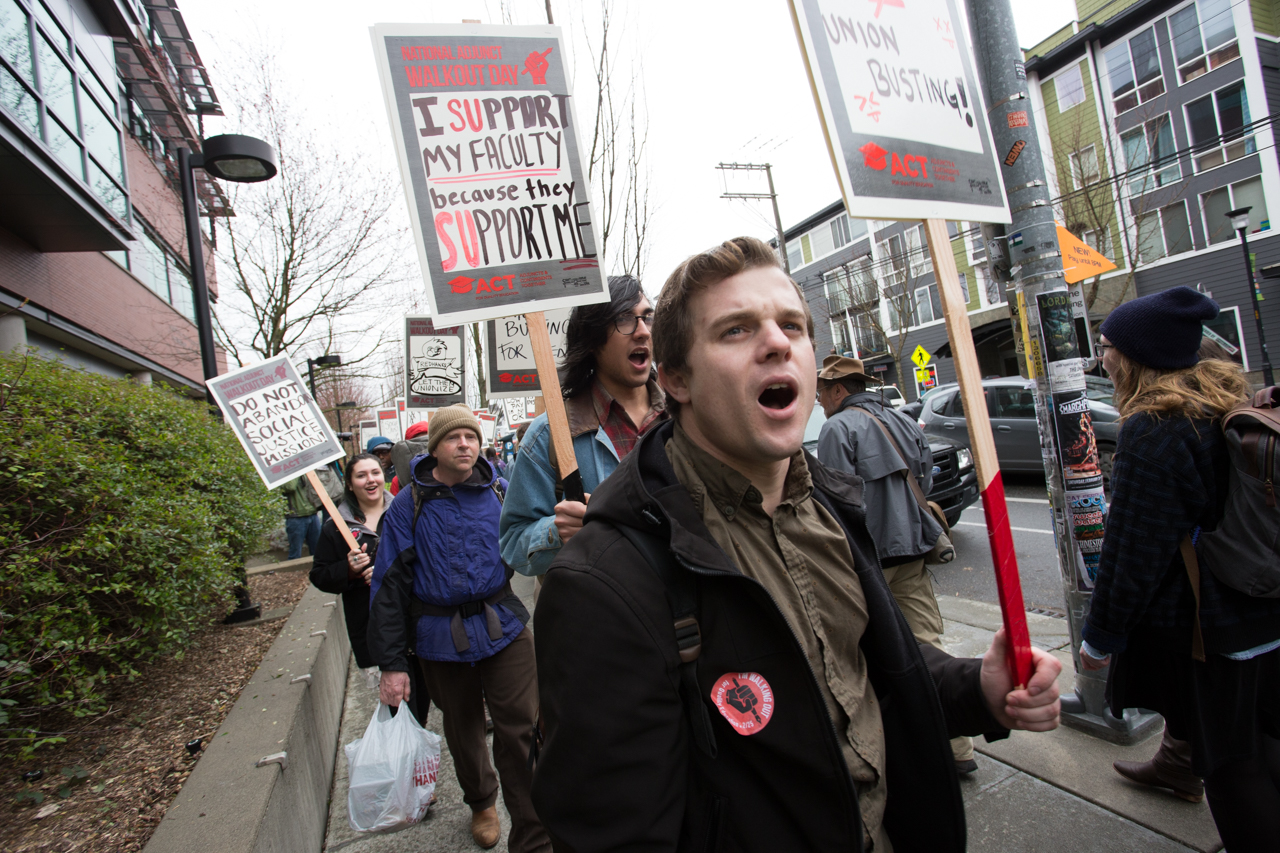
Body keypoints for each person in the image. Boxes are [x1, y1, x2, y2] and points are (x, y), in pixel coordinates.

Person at [531, 237, 1062, 851]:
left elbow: (865, 673)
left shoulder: (835, 508)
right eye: (735, 330)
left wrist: (979, 691)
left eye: (792, 325)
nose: (778, 341)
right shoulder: (605, 583)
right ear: (676, 378)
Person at [1081, 286, 1280, 851]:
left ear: (1138, 354)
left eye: (1108, 346)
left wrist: (1100, 638)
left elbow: (1134, 551)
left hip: (1213, 630)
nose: (1103, 357)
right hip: (1266, 608)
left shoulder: (1156, 428)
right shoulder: (1220, 402)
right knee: (1264, 743)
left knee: (1230, 767)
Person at [368, 404, 548, 852]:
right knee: (464, 729)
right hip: (438, 634)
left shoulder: (501, 491)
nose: (465, 444)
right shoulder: (407, 506)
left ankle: (533, 829)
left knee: (521, 727)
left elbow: (530, 540)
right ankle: (482, 801)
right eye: (453, 438)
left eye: (471, 436)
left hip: (503, 625)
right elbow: (387, 588)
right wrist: (392, 665)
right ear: (435, 447)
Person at [815, 354, 976, 774]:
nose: (820, 401)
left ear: (837, 390)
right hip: (913, 548)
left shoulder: (837, 428)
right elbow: (925, 478)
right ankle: (957, 747)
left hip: (871, 557)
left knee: (866, 653)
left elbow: (837, 499)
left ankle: (892, 744)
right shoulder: (902, 418)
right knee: (926, 641)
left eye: (821, 392)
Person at [500, 275, 667, 578]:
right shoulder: (550, 434)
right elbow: (513, 543)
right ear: (592, 339)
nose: (642, 331)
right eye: (624, 318)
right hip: (609, 614)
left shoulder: (683, 415)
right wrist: (556, 531)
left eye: (647, 317)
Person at [306, 453, 437, 722]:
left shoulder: (409, 511)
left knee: (423, 704)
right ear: (350, 484)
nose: (370, 480)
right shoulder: (336, 527)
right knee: (400, 712)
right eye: (361, 475)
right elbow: (319, 575)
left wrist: (391, 573)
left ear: (384, 476)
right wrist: (349, 571)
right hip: (373, 630)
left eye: (375, 473)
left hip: (419, 622)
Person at [278, 474, 321, 560]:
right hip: (295, 516)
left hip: (312, 513)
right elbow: (290, 486)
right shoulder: (281, 473)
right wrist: (296, 470)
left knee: (318, 551)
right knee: (295, 553)